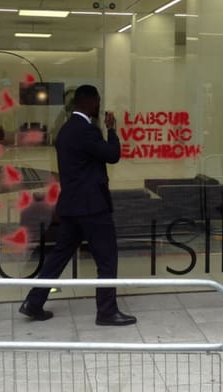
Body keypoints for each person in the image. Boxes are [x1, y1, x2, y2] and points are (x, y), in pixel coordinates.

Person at [19, 84, 137, 326]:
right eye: (98, 101)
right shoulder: (86, 130)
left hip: (71, 207)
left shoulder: (65, 130)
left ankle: (33, 302)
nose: (99, 106)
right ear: (91, 102)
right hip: (93, 208)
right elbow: (112, 154)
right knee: (107, 259)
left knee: (58, 256)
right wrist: (112, 129)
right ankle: (106, 312)